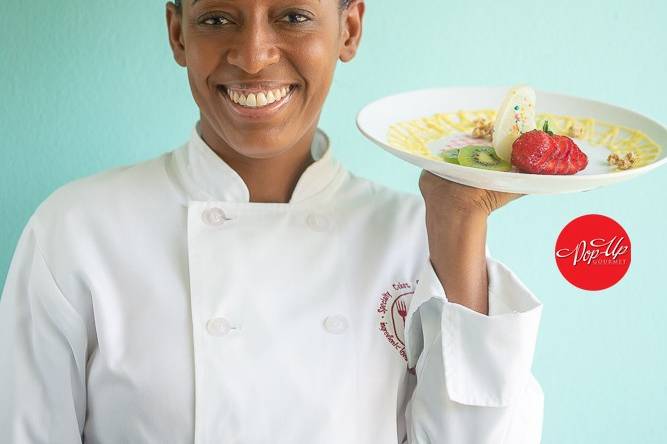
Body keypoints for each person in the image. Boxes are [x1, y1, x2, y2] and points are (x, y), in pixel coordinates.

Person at [0, 0, 544, 442]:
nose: (255, 55)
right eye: (217, 18)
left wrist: (459, 225)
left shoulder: (416, 238)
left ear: (348, 28)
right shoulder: (77, 231)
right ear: (178, 33)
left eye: (293, 16)